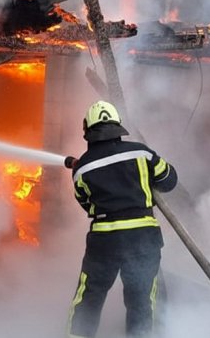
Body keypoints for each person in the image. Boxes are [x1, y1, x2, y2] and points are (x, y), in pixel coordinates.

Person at [64, 100, 178, 338]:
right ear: (117, 125)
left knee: (89, 297)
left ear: (88, 130)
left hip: (104, 242)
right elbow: (169, 180)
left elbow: (88, 205)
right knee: (142, 301)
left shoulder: (82, 169)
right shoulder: (141, 153)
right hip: (142, 239)